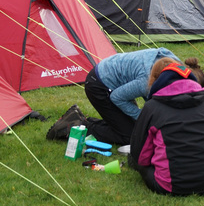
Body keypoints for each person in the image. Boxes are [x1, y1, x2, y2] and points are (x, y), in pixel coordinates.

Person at [128, 59, 204, 196]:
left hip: (169, 186)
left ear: (155, 81)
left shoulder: (151, 108)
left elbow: (140, 155)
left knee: (137, 160)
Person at [46, 48, 180, 145]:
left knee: (134, 127)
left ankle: (80, 118)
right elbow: (117, 97)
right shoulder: (145, 83)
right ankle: (75, 126)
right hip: (99, 86)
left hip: (115, 80)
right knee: (129, 135)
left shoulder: (176, 65)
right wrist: (142, 117)